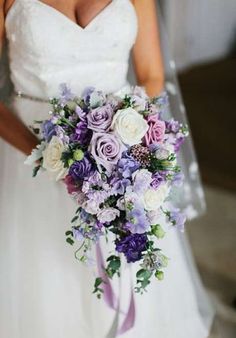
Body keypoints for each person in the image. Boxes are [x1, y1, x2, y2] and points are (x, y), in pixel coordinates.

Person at [0, 1, 214, 337]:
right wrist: (51, 157)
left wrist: (134, 142)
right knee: (45, 281)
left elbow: (151, 75)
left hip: (122, 153)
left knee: (127, 269)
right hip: (31, 155)